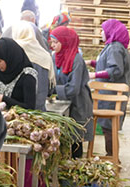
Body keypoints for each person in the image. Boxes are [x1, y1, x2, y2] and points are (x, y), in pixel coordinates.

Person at [87, 19, 130, 156]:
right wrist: (91, 62)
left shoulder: (115, 48)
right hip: (109, 94)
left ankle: (111, 157)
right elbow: (105, 64)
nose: (101, 32)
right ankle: (112, 156)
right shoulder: (111, 46)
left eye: (103, 29)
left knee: (109, 127)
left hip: (112, 95)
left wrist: (93, 75)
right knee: (108, 128)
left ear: (112, 31)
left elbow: (116, 70)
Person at [50, 26, 93, 158]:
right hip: (62, 102)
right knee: (60, 138)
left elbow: (74, 88)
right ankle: (61, 168)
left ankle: (73, 168)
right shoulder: (55, 57)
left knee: (75, 138)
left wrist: (53, 90)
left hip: (78, 102)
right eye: (51, 42)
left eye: (55, 42)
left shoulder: (77, 60)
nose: (52, 45)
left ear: (65, 41)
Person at [12, 21, 56, 111]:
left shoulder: (12, 53)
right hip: (39, 112)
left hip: (17, 110)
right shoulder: (45, 55)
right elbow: (50, 89)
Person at [0, 38, 38, 110]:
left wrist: (3, 98)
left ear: (9, 58)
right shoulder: (0, 72)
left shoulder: (27, 76)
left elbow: (29, 107)